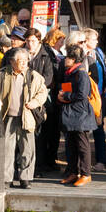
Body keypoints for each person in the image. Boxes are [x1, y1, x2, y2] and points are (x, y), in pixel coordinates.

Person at [0, 47, 48, 190]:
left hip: (26, 117)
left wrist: (34, 102)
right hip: (7, 117)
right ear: (12, 62)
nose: (23, 63)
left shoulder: (34, 76)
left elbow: (43, 92)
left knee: (27, 149)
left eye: (25, 61)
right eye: (20, 61)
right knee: (6, 149)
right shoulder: (2, 75)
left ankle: (25, 178)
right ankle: (6, 178)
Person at [58, 45, 94, 187]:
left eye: (66, 57)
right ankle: (73, 172)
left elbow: (82, 94)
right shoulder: (69, 72)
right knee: (71, 144)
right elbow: (66, 88)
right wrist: (63, 95)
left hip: (80, 114)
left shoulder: (81, 73)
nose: (64, 59)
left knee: (82, 145)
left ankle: (86, 174)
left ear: (73, 59)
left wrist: (65, 96)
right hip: (70, 113)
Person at [37, 27, 66, 173]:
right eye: (61, 40)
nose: (62, 43)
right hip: (49, 95)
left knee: (54, 131)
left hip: (55, 96)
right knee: (47, 130)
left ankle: (51, 159)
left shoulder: (59, 53)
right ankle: (45, 161)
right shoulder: (48, 53)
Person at [84, 28, 106, 173]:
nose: (97, 42)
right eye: (94, 39)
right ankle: (84, 162)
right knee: (85, 129)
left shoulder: (99, 53)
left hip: (99, 96)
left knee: (99, 128)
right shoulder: (82, 54)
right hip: (86, 96)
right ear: (86, 40)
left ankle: (101, 161)